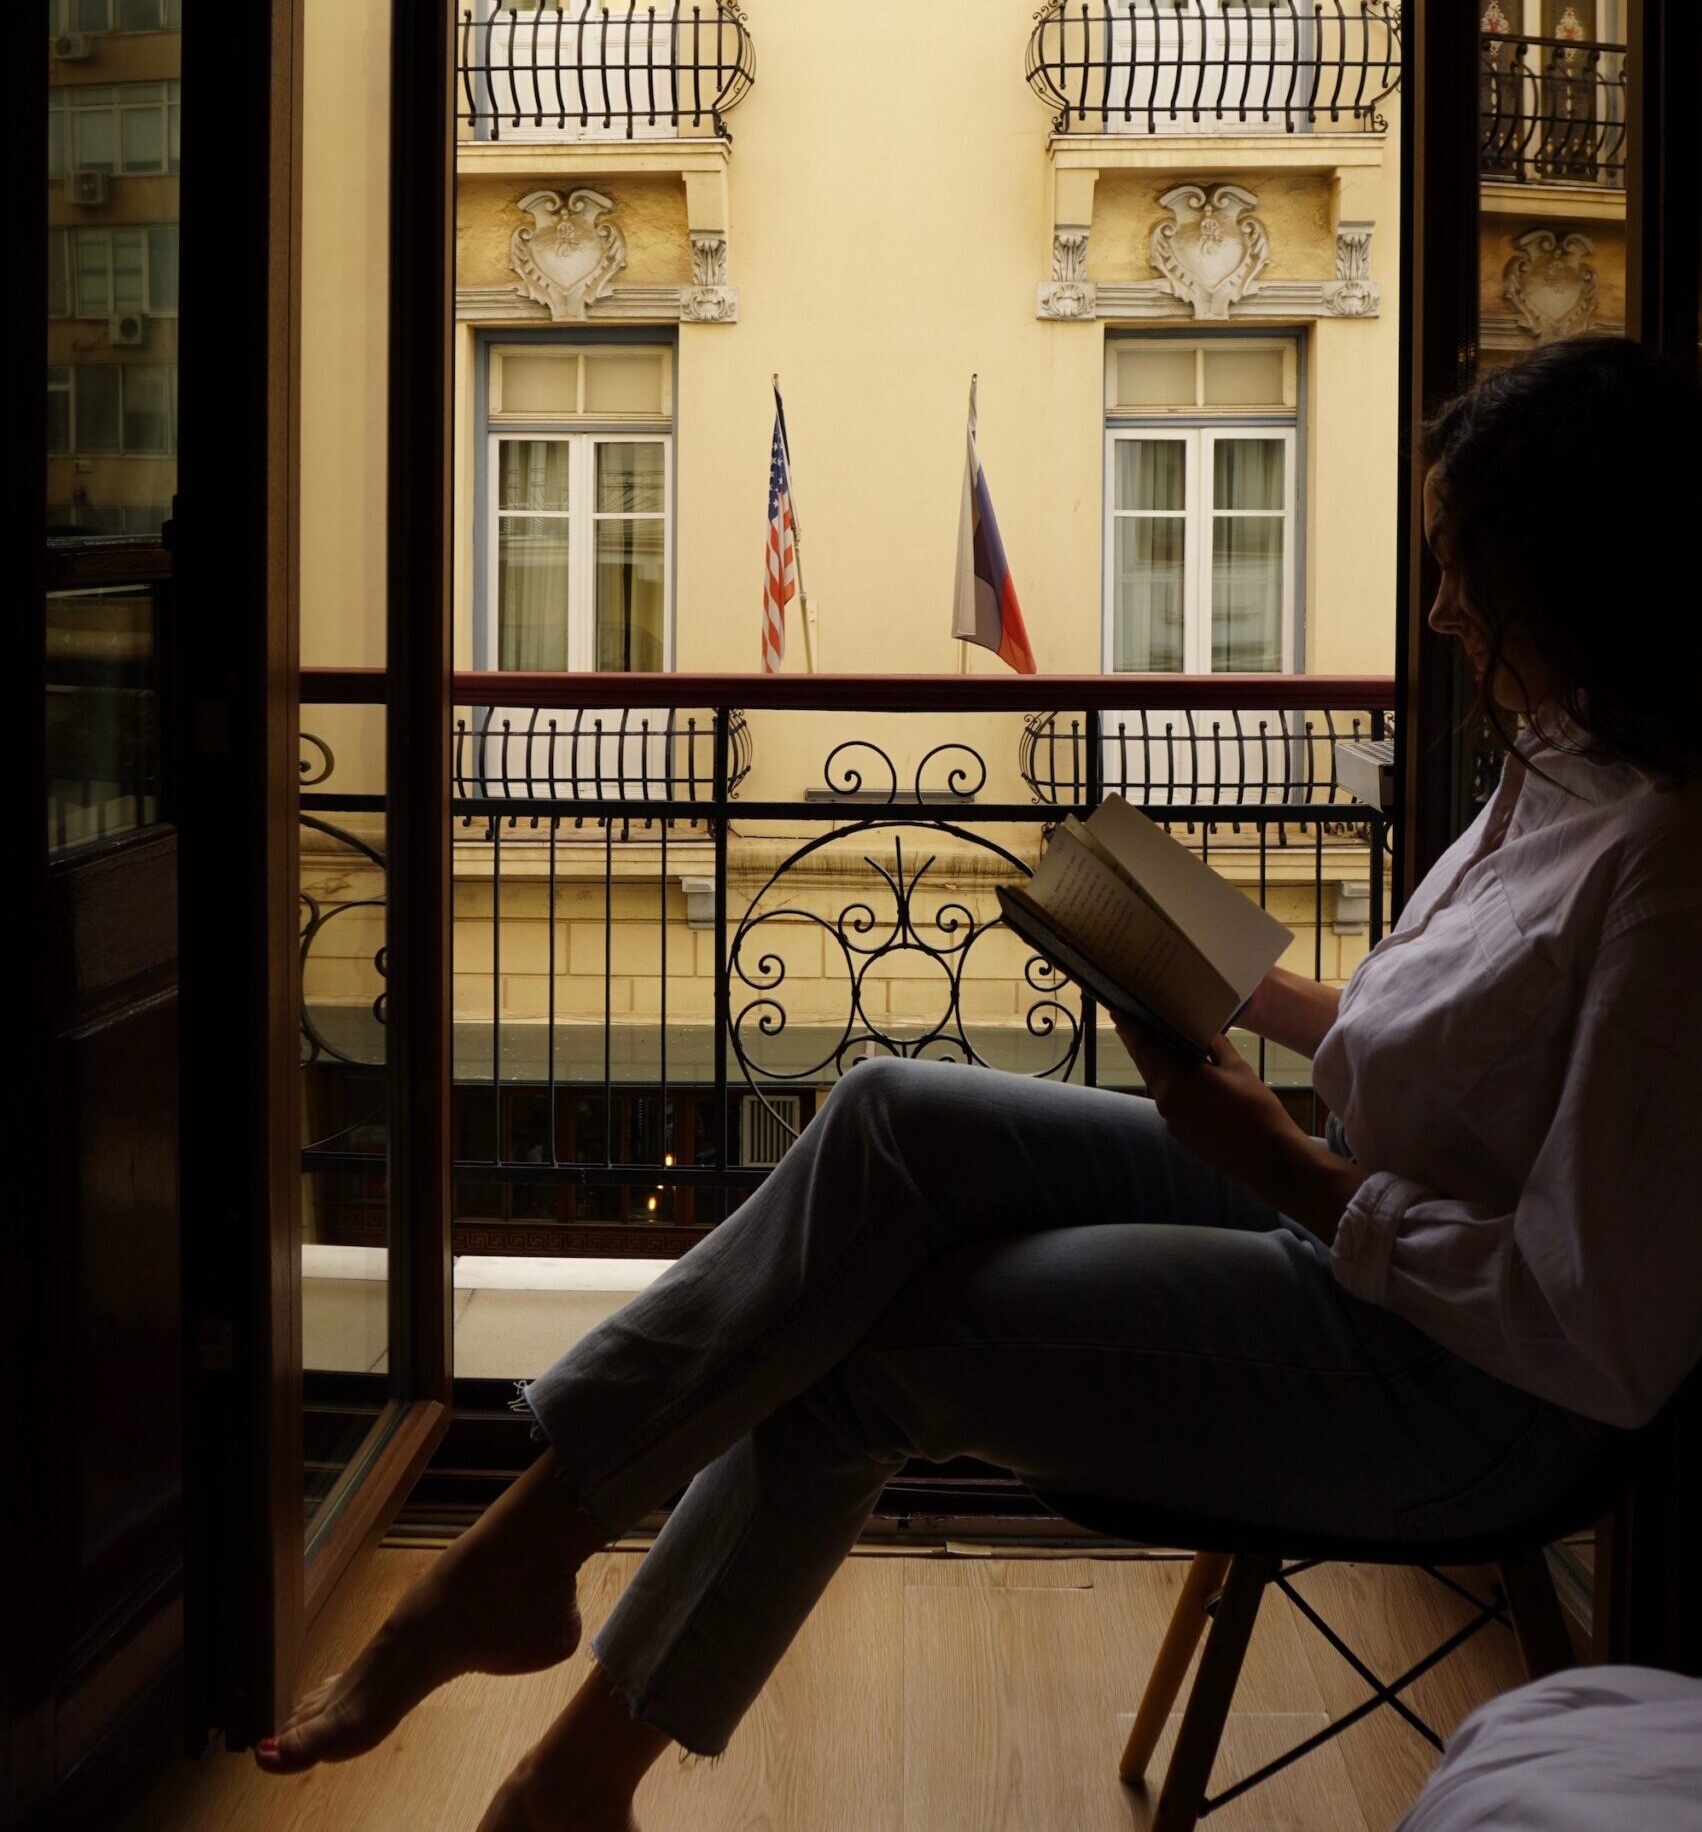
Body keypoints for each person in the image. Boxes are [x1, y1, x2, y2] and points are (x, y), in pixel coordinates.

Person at [255, 338, 1702, 1831]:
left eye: (1464, 564)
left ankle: (551, 1759)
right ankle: (510, 1568)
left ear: (1581, 570)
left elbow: (1593, 1334)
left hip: (1455, 1393)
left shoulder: (1665, 864)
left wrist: (1278, 1167)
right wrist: (1226, 977)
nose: (1438, 606)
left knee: (865, 1343)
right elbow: (1454, 1051)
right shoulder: (1557, 754)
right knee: (892, 1115)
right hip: (1345, 1218)